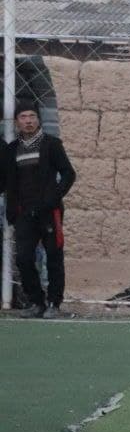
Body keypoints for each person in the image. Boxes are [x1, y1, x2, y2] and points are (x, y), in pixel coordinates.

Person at [1, 102, 76, 318]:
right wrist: (13, 210)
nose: (28, 121)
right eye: (23, 117)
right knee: (24, 259)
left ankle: (54, 303)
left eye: (32, 116)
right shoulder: (11, 149)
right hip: (24, 213)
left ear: (38, 119)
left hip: (49, 212)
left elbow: (69, 174)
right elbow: (6, 181)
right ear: (17, 122)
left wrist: (53, 198)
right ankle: (36, 302)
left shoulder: (51, 144)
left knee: (54, 257)